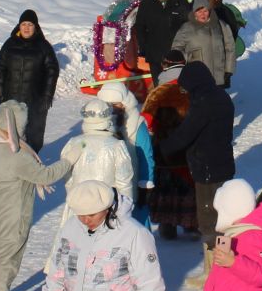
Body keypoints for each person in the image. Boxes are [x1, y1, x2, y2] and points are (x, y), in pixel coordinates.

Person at [0, 102, 75, 291]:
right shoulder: (16, 156)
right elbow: (45, 175)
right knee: (6, 261)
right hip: (12, 218)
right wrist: (68, 162)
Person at [156, 63, 235, 271]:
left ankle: (214, 270)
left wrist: (161, 149)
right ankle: (218, 265)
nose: (185, 91)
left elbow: (186, 133)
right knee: (222, 215)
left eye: (185, 87)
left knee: (209, 220)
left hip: (208, 169)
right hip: (222, 164)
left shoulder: (204, 101)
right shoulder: (220, 95)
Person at [142, 59, 198, 239]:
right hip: (186, 152)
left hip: (163, 151)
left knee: (166, 189)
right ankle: (190, 225)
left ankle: (167, 226)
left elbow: (146, 122)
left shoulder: (157, 93)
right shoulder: (192, 92)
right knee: (187, 187)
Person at [0, 10, 60, 152]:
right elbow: (0, 70)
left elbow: (52, 71)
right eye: (23, 24)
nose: (26, 28)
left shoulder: (43, 46)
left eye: (30, 24)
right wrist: (0, 96)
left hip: (34, 100)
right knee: (10, 135)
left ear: (35, 27)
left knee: (33, 136)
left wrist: (47, 96)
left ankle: (32, 165)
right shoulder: (9, 44)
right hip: (11, 99)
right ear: (19, 26)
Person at [97, 80, 157, 220]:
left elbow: (146, 157)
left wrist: (145, 185)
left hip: (132, 185)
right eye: (107, 105)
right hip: (104, 187)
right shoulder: (97, 126)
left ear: (125, 102)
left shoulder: (136, 124)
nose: (112, 109)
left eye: (116, 104)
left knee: (136, 226)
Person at [171, 0, 236, 88]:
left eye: (205, 11)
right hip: (197, 77)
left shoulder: (221, 25)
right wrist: (189, 56)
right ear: (194, 12)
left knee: (217, 101)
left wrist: (229, 70)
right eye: (199, 11)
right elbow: (175, 50)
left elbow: (230, 48)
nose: (203, 14)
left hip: (218, 77)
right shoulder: (186, 28)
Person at [131, 0, 186, 77]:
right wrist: (144, 47)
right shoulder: (147, 4)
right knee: (158, 83)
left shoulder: (180, 3)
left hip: (175, 53)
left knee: (175, 83)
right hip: (154, 53)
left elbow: (186, 25)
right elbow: (140, 27)